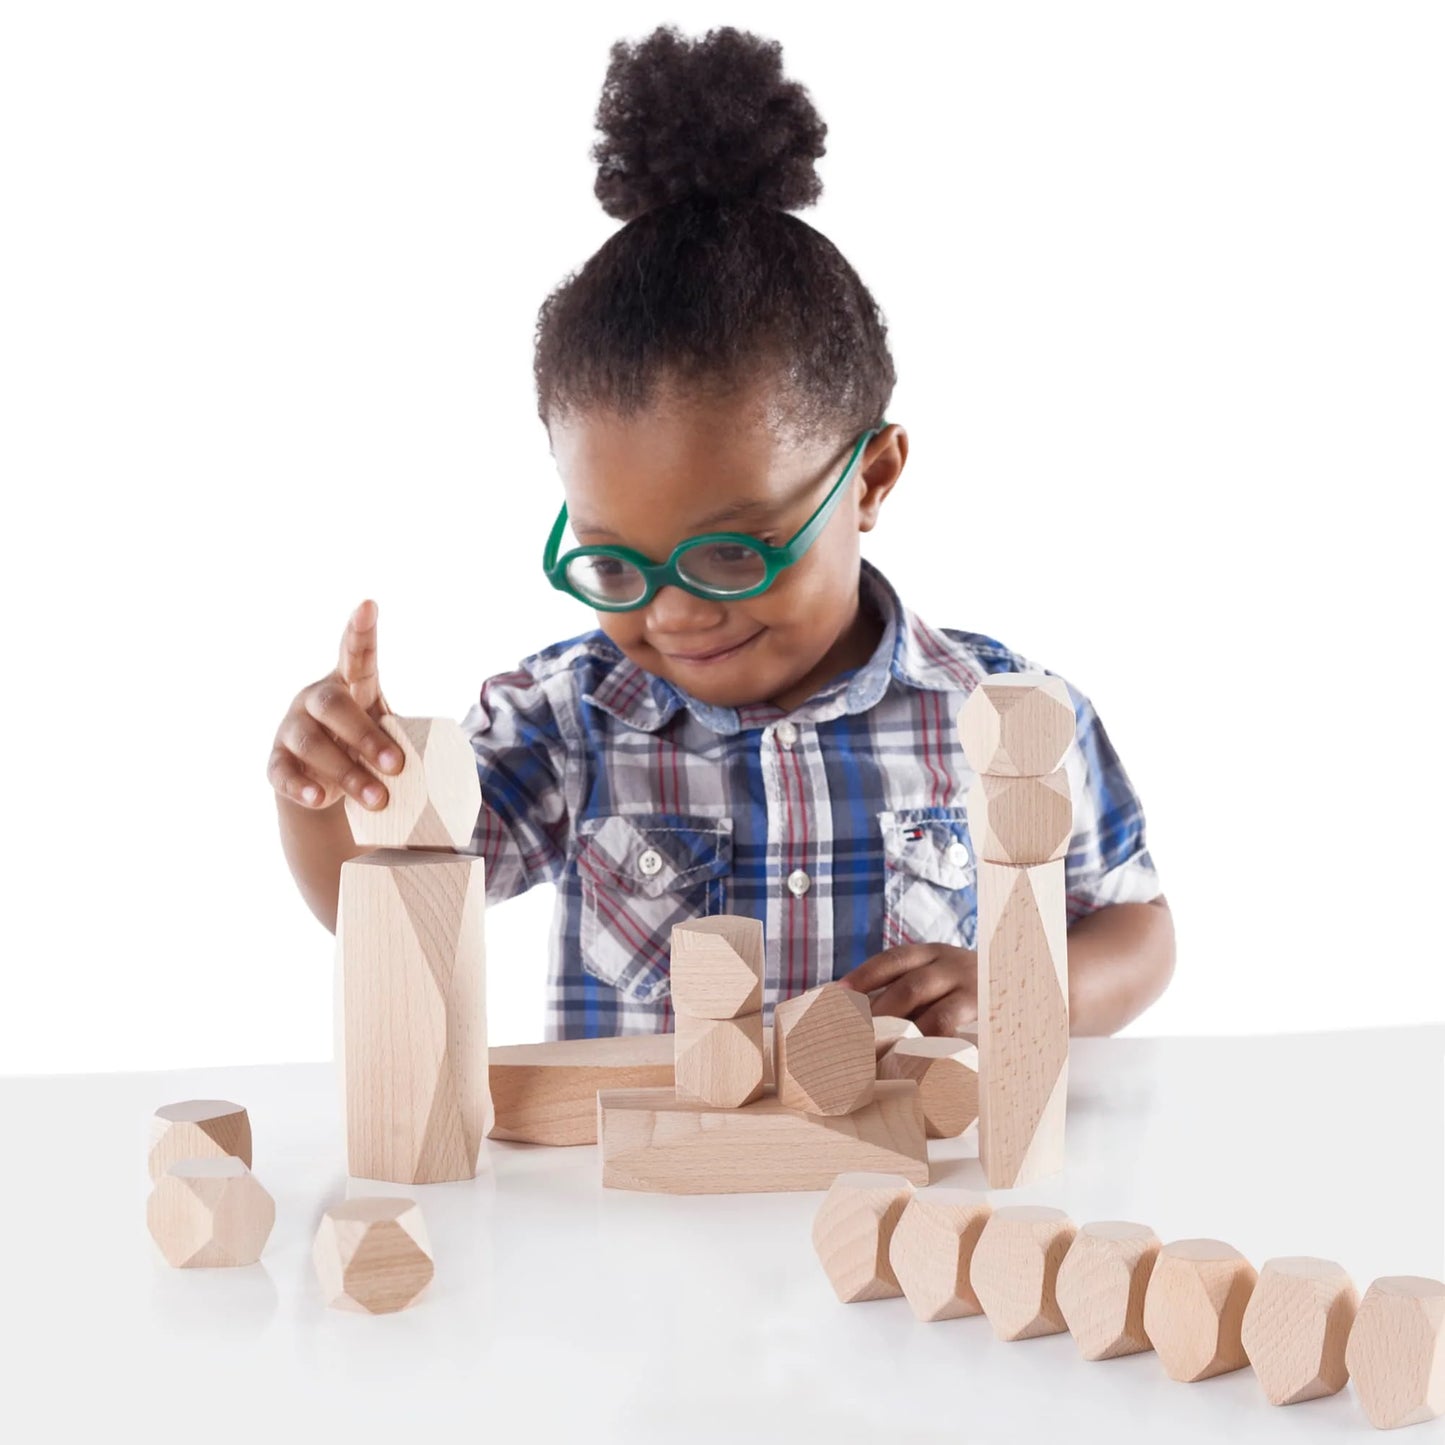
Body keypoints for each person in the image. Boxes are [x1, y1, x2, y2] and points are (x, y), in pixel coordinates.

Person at [268, 23, 1175, 1042]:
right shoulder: (566, 720)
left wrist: (1020, 983)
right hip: (647, 1197)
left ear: (870, 477)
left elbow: (1132, 926)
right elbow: (376, 901)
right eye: (612, 562)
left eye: (732, 553)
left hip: (902, 1188)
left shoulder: (1004, 713)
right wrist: (324, 790)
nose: (672, 611)